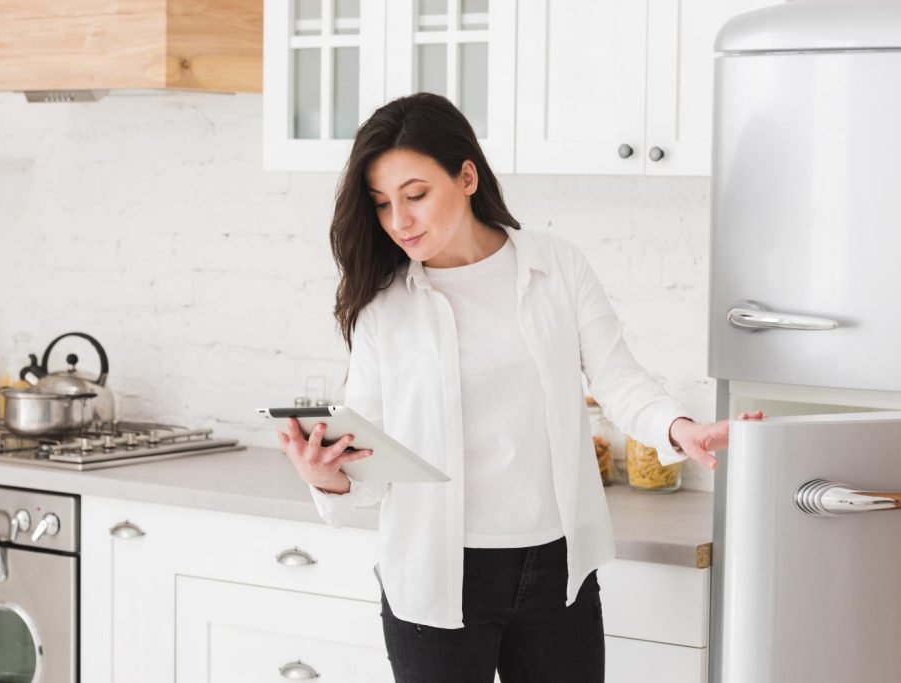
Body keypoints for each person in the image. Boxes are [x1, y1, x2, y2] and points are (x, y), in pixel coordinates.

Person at [275, 92, 763, 683]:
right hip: (435, 575)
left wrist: (679, 428)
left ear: (467, 175)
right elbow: (374, 461)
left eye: (416, 195)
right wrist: (328, 474)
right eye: (381, 204)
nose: (399, 221)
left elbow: (617, 376)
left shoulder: (556, 266)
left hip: (555, 571)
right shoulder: (384, 306)